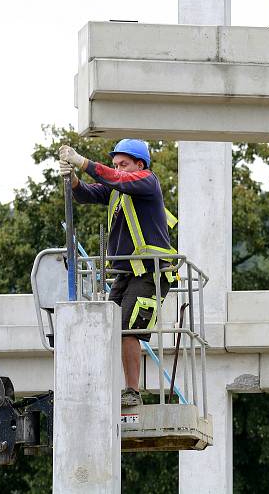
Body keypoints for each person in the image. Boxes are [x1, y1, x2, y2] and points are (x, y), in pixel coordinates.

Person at [58, 139, 175, 407]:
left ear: (140, 165)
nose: (117, 168)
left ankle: (132, 391)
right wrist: (73, 179)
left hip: (150, 272)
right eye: (115, 164)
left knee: (127, 329)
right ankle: (107, 386)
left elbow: (113, 178)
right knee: (106, 328)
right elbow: (87, 193)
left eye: (124, 164)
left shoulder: (147, 182)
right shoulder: (116, 191)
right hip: (126, 273)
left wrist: (83, 162)